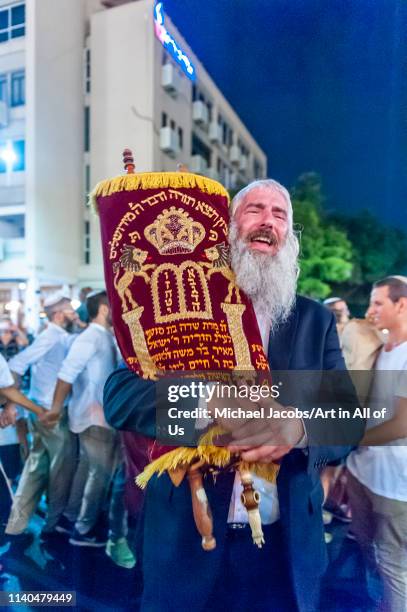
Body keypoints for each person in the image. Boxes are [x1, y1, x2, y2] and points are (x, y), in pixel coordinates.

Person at [103, 179, 363, 612]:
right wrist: (206, 401)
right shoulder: (173, 304)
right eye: (254, 210)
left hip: (285, 548)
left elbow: (348, 416)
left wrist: (299, 428)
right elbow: (120, 395)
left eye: (280, 215)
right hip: (187, 541)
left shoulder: (314, 320)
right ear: (226, 227)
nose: (267, 222)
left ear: (289, 237)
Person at [43, 291, 135, 567]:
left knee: (87, 471)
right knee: (99, 474)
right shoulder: (91, 337)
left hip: (97, 416)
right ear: (105, 308)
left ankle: (71, 520)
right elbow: (66, 374)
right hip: (94, 418)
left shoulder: (102, 336)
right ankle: (83, 530)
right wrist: (55, 409)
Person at [346, 276, 407, 612]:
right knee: (368, 551)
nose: (370, 311)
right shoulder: (376, 345)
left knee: (393, 564)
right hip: (361, 471)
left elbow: (401, 424)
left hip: (395, 484)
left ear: (402, 305)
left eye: (378, 303)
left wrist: (350, 439)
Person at [4, 294, 78, 540]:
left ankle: (16, 524)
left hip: (44, 411)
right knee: (60, 470)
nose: (74, 313)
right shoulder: (50, 337)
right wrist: (13, 405)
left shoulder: (60, 336)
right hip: (50, 414)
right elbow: (16, 364)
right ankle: (53, 524)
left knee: (36, 468)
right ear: (58, 315)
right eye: (69, 310)